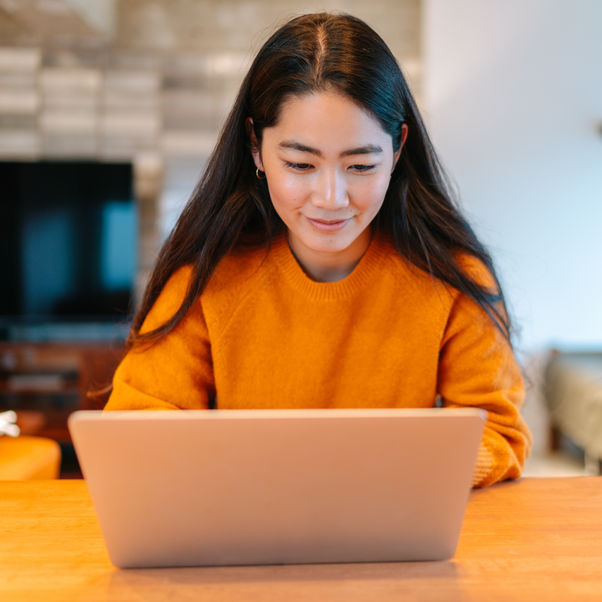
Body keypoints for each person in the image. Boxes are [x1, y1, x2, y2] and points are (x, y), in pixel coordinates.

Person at [105, 12, 531, 487]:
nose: (331, 198)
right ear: (255, 148)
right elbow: (134, 429)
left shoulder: (451, 278)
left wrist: (395, 473)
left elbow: (497, 433)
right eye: (301, 164)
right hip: (245, 542)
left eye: (361, 165)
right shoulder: (207, 277)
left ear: (396, 150)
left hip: (391, 539)